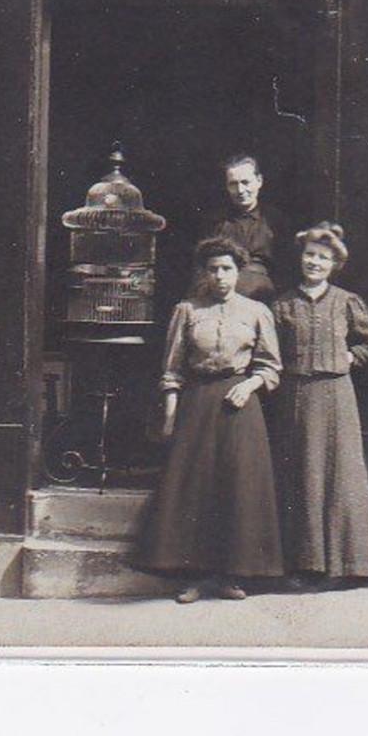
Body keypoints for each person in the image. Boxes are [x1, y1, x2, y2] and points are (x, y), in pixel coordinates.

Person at [134, 237, 284, 603]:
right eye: (213, 269)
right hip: (197, 402)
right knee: (194, 489)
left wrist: (249, 385)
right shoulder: (187, 310)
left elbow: (271, 366)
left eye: (227, 269)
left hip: (238, 402)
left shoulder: (256, 312)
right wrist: (171, 410)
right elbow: (172, 367)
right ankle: (192, 577)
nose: (220, 276)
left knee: (237, 487)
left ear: (239, 272)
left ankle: (231, 575)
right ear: (204, 272)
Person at [271, 223, 368, 588]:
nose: (315, 262)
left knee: (341, 476)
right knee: (303, 475)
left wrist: (352, 356)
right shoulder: (283, 304)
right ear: (301, 258)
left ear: (335, 264)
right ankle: (304, 565)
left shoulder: (346, 302)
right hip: (296, 395)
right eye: (310, 255)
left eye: (323, 257)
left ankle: (346, 565)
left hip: (337, 395)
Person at [203, 153, 292, 303]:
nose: (240, 190)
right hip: (222, 299)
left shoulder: (276, 221)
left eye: (245, 182)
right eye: (233, 184)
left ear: (259, 181)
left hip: (265, 299)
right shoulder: (216, 222)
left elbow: (287, 270)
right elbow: (202, 269)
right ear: (226, 186)